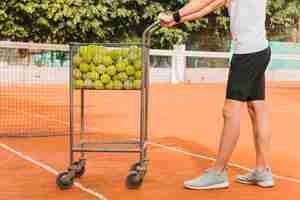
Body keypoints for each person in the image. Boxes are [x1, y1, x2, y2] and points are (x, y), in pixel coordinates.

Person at [159, 0, 274, 190]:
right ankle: (263, 169)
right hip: (260, 49)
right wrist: (177, 20)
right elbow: (210, 6)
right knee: (256, 107)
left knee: (230, 110)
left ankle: (218, 172)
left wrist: (175, 16)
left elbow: (205, 0)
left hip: (246, 53)